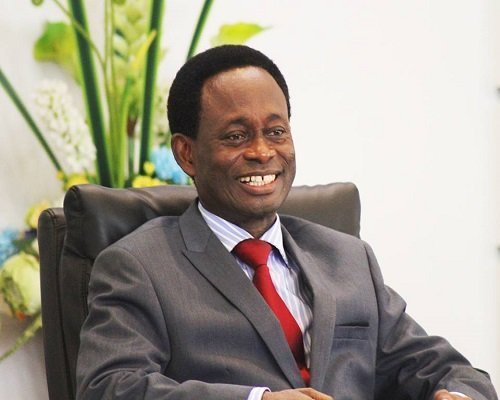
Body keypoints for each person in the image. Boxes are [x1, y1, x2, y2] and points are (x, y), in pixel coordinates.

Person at [76, 45, 497, 400]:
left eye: (276, 132)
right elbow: (110, 387)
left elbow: (447, 370)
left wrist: (457, 394)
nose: (262, 152)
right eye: (236, 136)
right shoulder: (139, 266)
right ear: (187, 154)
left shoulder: (349, 259)